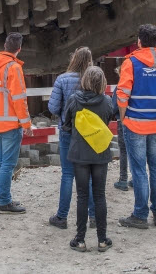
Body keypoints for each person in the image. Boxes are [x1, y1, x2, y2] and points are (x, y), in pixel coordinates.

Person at [116, 24, 156, 229]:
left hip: (134, 123)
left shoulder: (131, 63)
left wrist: (124, 116)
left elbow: (122, 95)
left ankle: (140, 215)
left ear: (139, 41)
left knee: (139, 170)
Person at [63, 66, 115, 253]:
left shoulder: (74, 100)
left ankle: (80, 239)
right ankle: (102, 239)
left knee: (82, 196)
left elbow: (66, 124)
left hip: (80, 153)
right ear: (102, 82)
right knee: (100, 195)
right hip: (99, 152)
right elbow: (109, 119)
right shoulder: (107, 101)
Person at [0, 32, 33, 214]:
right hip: (11, 124)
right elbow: (19, 99)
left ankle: (1, 197)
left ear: (5, 45)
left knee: (1, 162)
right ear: (19, 49)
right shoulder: (14, 68)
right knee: (7, 164)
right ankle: (4, 201)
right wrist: (26, 124)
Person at [47, 47, 96, 229]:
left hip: (68, 131)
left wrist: (62, 113)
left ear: (74, 59)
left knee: (68, 174)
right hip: (89, 133)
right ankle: (93, 217)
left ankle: (62, 217)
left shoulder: (62, 79)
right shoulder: (93, 78)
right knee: (89, 175)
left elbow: (52, 108)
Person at [111, 62, 131, 191]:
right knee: (135, 151)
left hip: (122, 121)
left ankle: (123, 179)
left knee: (123, 151)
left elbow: (114, 107)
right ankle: (135, 179)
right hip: (137, 121)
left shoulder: (119, 87)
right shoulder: (137, 85)